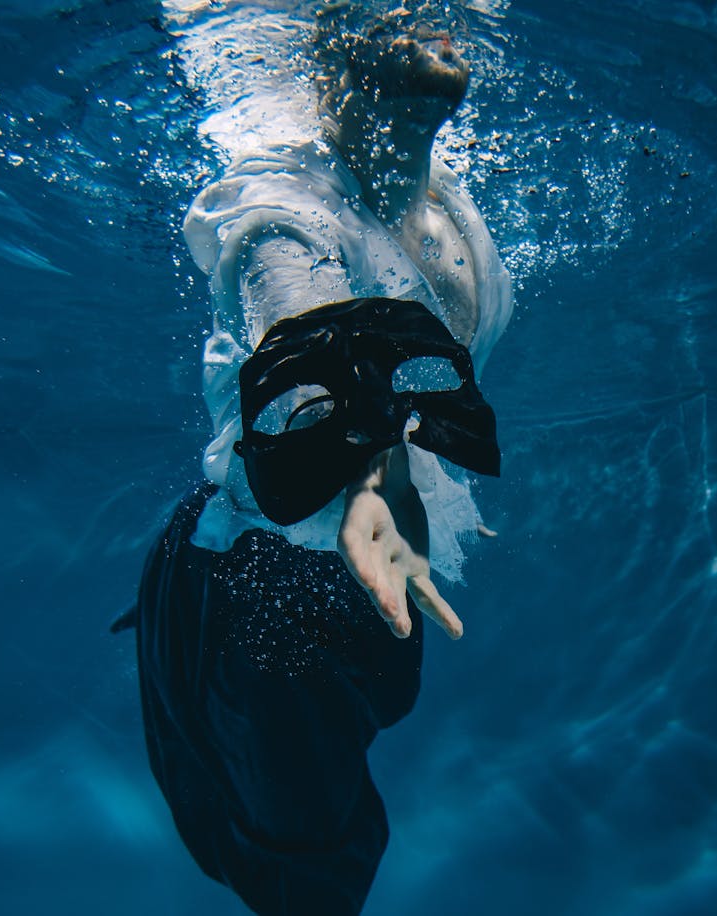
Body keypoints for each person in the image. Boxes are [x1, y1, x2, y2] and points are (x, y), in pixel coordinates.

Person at [130, 3, 513, 914]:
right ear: (333, 45)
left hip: (372, 563)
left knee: (303, 817)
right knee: (304, 871)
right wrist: (378, 478)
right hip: (270, 588)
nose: (423, 11)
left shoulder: (441, 189)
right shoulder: (279, 208)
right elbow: (307, 350)